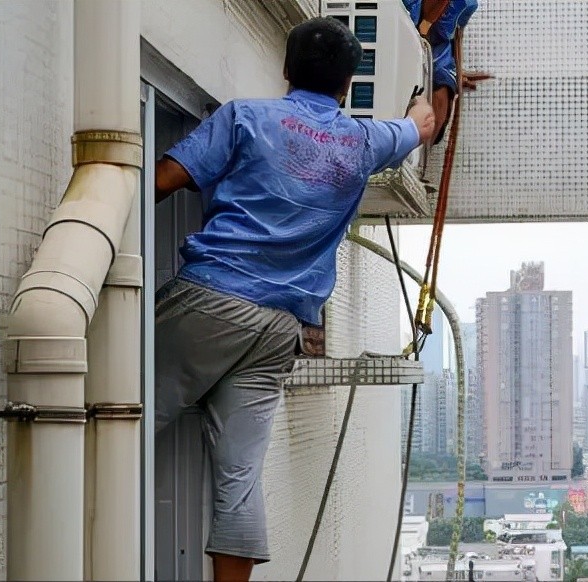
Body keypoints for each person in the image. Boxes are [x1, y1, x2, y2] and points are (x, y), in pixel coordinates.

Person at [151, 17, 436, 582]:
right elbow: (421, 126)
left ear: (285, 68)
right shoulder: (364, 142)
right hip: (280, 331)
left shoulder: (245, 118)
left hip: (211, 302)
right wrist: (425, 88)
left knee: (115, 419)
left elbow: (159, 180)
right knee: (239, 481)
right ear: (348, 85)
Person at [404, 0, 489, 144]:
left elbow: (457, 36)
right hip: (411, 37)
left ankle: (420, 146)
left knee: (440, 98)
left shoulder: (468, 5)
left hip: (437, 51)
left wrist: (457, 73)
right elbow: (420, 27)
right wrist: (425, 26)